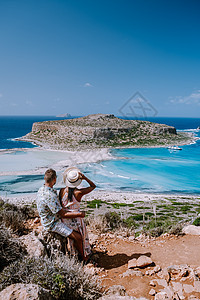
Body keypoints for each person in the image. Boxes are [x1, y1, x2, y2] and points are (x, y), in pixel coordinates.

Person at [37, 168, 87, 261]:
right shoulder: (50, 195)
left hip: (47, 219)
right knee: (78, 237)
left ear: (45, 178)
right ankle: (84, 258)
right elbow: (63, 214)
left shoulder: (41, 190)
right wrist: (79, 214)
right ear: (55, 179)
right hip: (53, 223)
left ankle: (75, 252)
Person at [59, 167, 96, 259]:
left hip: (65, 220)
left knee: (72, 237)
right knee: (81, 236)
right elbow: (93, 186)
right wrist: (85, 178)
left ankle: (74, 253)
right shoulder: (79, 192)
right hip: (76, 219)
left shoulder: (61, 191)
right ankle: (84, 255)